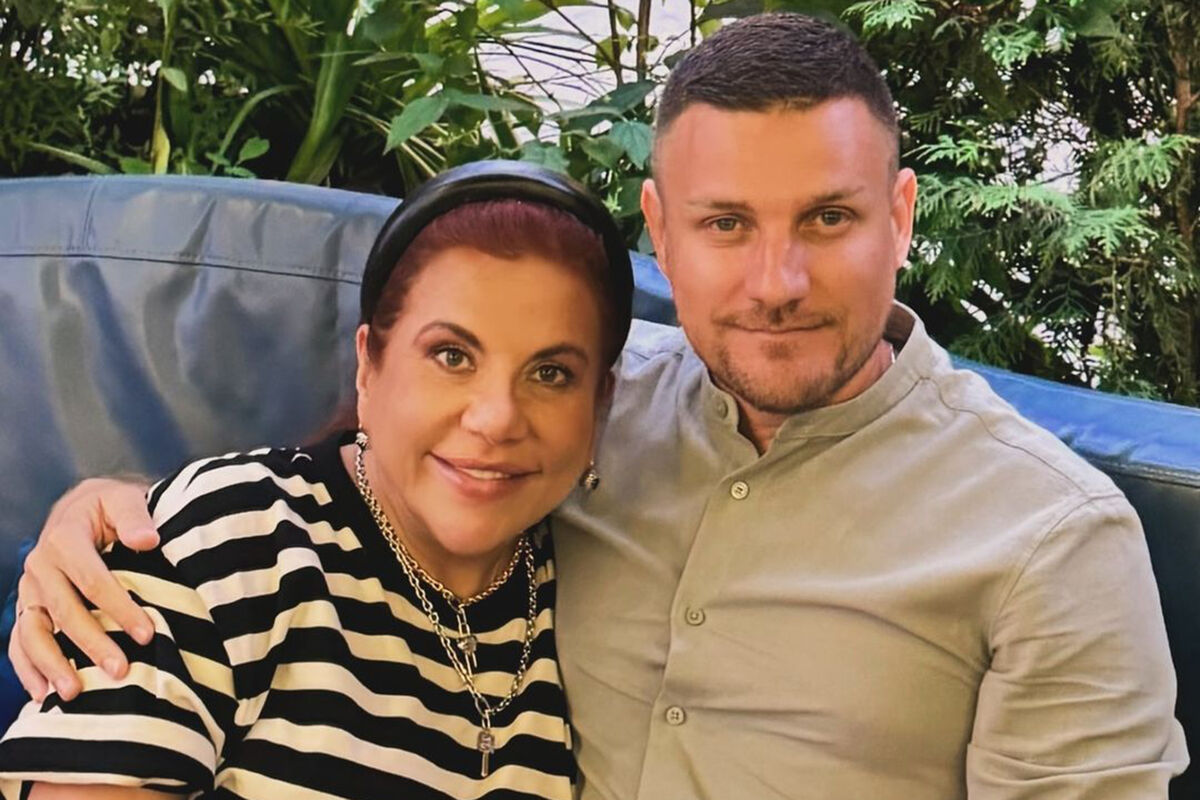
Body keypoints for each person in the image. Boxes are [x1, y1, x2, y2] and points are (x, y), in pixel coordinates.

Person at [8, 12, 1189, 799]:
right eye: (726, 223)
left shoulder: (1052, 540)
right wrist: (128, 513)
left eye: (828, 218)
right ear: (660, 231)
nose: (778, 280)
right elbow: (369, 481)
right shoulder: (583, 413)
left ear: (902, 216)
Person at [0, 160, 635, 798]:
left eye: (551, 373)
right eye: (452, 356)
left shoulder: (593, 591)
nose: (497, 419)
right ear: (368, 367)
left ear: (599, 406)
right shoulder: (235, 539)